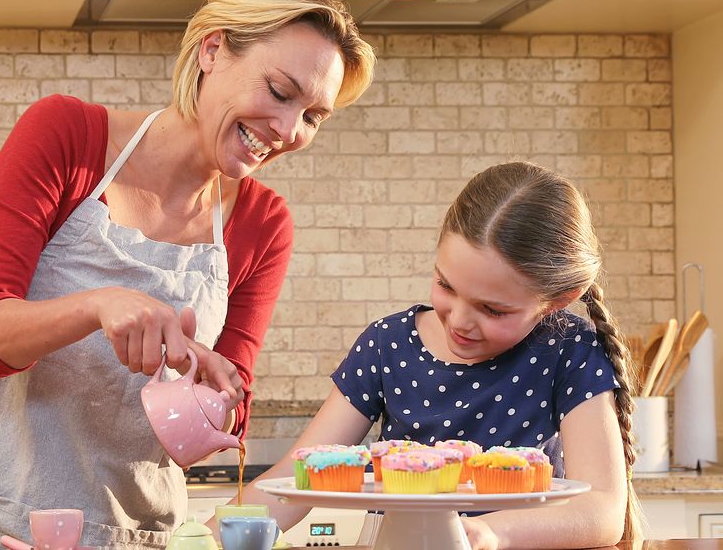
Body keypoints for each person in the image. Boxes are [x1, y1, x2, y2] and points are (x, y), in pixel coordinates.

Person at [0, 0, 376, 548]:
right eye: (279, 91)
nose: (290, 132)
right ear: (212, 51)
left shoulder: (263, 223)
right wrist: (99, 306)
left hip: (129, 532)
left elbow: (229, 411)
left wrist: (207, 383)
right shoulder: (66, 137)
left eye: (313, 116)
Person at [237, 162, 642, 549]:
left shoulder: (567, 349)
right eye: (446, 286)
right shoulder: (387, 343)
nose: (461, 321)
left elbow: (603, 509)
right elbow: (297, 478)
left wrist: (486, 535)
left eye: (493, 309)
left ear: (557, 301)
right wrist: (208, 536)